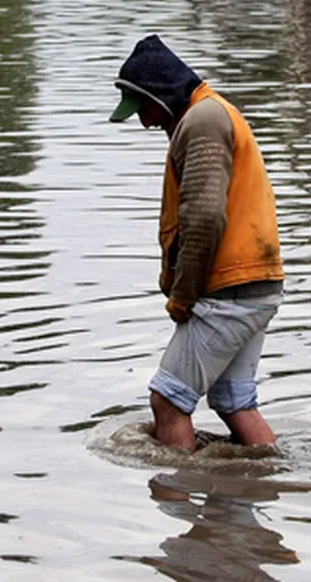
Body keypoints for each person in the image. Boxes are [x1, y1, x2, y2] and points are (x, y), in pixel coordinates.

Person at [110, 35, 285, 453]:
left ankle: (180, 506)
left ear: (162, 95)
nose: (145, 122)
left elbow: (204, 218)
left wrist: (183, 297)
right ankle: (264, 486)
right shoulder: (210, 114)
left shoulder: (202, 120)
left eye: (144, 109)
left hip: (231, 287)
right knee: (233, 402)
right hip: (256, 283)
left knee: (168, 401)